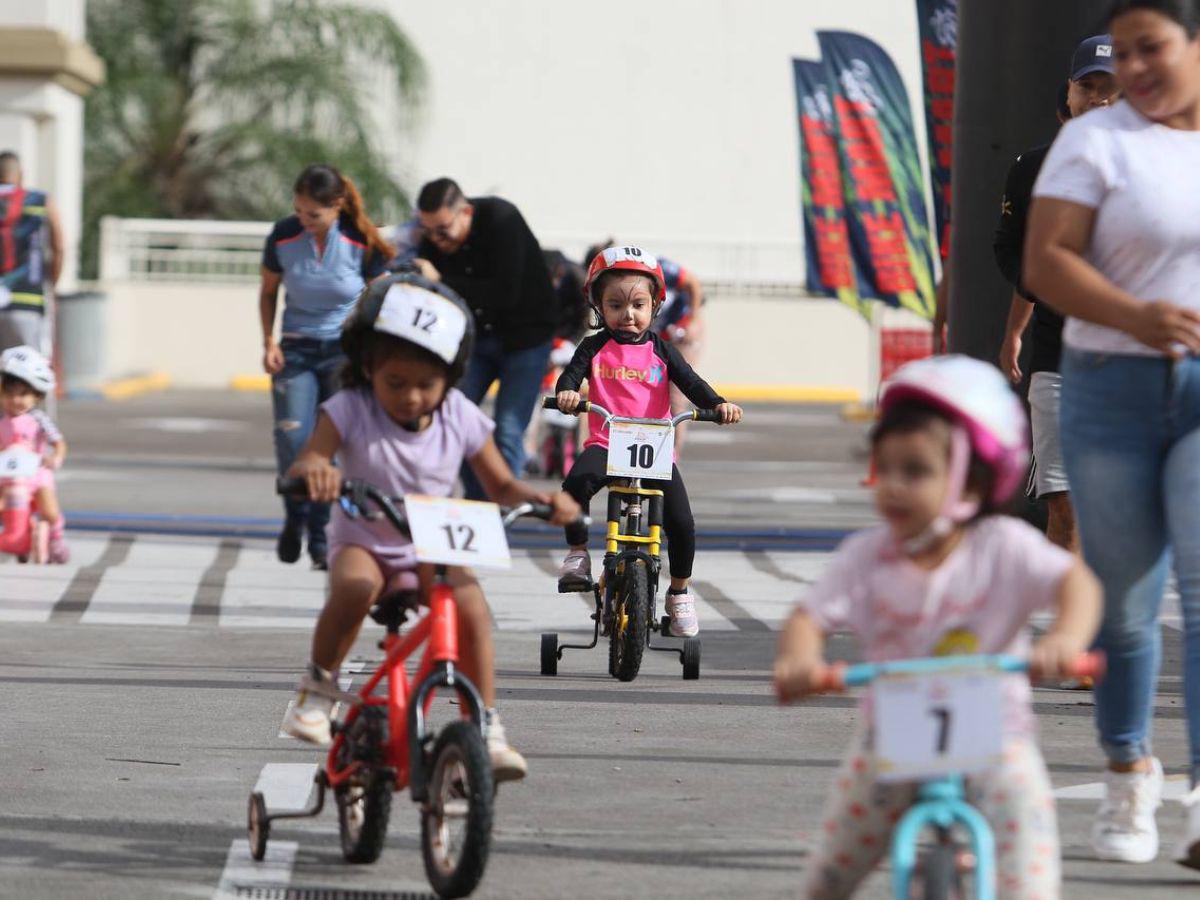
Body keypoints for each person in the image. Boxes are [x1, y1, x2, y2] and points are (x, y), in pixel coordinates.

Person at [773, 355, 1102, 899]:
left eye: (917, 471)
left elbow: (1076, 585)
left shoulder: (1003, 547)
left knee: (1030, 871)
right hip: (891, 741)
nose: (895, 487)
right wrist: (801, 662)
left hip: (998, 740)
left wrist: (1065, 639)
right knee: (829, 875)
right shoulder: (867, 557)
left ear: (972, 480)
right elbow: (810, 615)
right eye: (887, 469)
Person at [1025, 0, 1200, 868]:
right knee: (1127, 610)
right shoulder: (1092, 143)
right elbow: (1044, 260)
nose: (1132, 71)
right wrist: (1138, 315)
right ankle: (1130, 770)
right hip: (1109, 385)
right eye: (1117, 56)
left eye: (1152, 49)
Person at [280, 272, 579, 781]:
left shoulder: (459, 415)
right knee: (356, 584)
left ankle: (484, 722)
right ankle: (315, 690)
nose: (412, 397)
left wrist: (546, 501)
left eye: (426, 385)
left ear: (450, 378)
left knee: (471, 608)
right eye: (396, 383)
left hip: (432, 541)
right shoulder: (348, 408)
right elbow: (308, 460)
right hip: (365, 535)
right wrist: (316, 472)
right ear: (368, 366)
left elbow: (502, 485)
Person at [554, 246, 742, 637]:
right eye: (616, 304)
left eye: (638, 304)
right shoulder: (593, 347)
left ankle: (679, 593)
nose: (628, 314)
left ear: (655, 306)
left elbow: (691, 383)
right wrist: (569, 395)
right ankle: (577, 554)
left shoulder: (662, 350)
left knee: (682, 522)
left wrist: (718, 404)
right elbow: (569, 378)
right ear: (598, 307)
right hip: (606, 442)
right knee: (574, 487)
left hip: (654, 449)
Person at [995, 36, 1118, 553]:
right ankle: (1074, 624)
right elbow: (1008, 247)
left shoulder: (1165, 167)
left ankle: (1109, 617)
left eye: (1110, 90)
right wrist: (1033, 297)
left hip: (1137, 362)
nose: (1098, 99)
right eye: (1087, 87)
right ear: (1067, 93)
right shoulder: (1031, 167)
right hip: (1058, 357)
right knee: (1062, 501)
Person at [259, 164, 391, 570]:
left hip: (342, 352)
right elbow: (268, 292)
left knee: (330, 446)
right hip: (295, 349)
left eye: (313, 215)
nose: (305, 221)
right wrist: (268, 341)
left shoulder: (360, 240)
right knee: (293, 440)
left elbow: (378, 299)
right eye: (299, 211)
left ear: (336, 207)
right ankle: (294, 517)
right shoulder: (283, 235)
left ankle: (319, 535)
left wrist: (370, 354)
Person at [411, 178, 558, 499]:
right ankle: (483, 503)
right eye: (428, 231)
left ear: (466, 211)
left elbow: (505, 293)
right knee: (450, 415)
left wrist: (442, 280)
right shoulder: (432, 240)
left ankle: (498, 510)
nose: (436, 239)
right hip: (477, 339)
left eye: (443, 229)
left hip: (526, 338)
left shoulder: (502, 220)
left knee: (507, 428)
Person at [584, 240, 708, 448]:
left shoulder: (656, 267)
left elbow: (692, 283)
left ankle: (669, 456)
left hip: (679, 331)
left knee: (676, 397)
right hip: (647, 336)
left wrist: (692, 320)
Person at [0, 345, 68, 562]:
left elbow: (58, 442)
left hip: (36, 473)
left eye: (23, 395)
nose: (16, 400)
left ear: (36, 396)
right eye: (9, 395)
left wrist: (55, 457)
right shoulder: (1, 421)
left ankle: (56, 538)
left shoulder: (38, 419)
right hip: (7, 475)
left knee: (49, 511)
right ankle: (16, 533)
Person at [0, 152, 65, 354]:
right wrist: (52, 285)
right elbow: (59, 247)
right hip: (28, 300)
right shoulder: (40, 201)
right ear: (21, 175)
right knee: (30, 374)